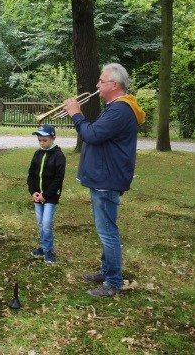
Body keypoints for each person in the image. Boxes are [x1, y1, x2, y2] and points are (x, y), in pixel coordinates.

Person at [63, 63, 145, 298]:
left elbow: (92, 134)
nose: (97, 85)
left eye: (101, 81)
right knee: (106, 228)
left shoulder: (120, 109)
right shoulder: (114, 107)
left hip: (107, 178)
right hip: (104, 176)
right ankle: (106, 270)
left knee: (108, 231)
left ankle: (113, 282)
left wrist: (76, 114)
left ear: (114, 85)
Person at [27, 124, 66, 264]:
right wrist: (33, 192)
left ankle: (48, 250)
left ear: (53, 138)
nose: (42, 143)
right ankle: (43, 247)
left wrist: (46, 195)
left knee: (46, 223)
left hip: (50, 197)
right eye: (39, 140)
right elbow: (31, 174)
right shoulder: (37, 154)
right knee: (40, 223)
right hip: (37, 196)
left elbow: (58, 179)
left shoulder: (59, 156)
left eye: (45, 140)